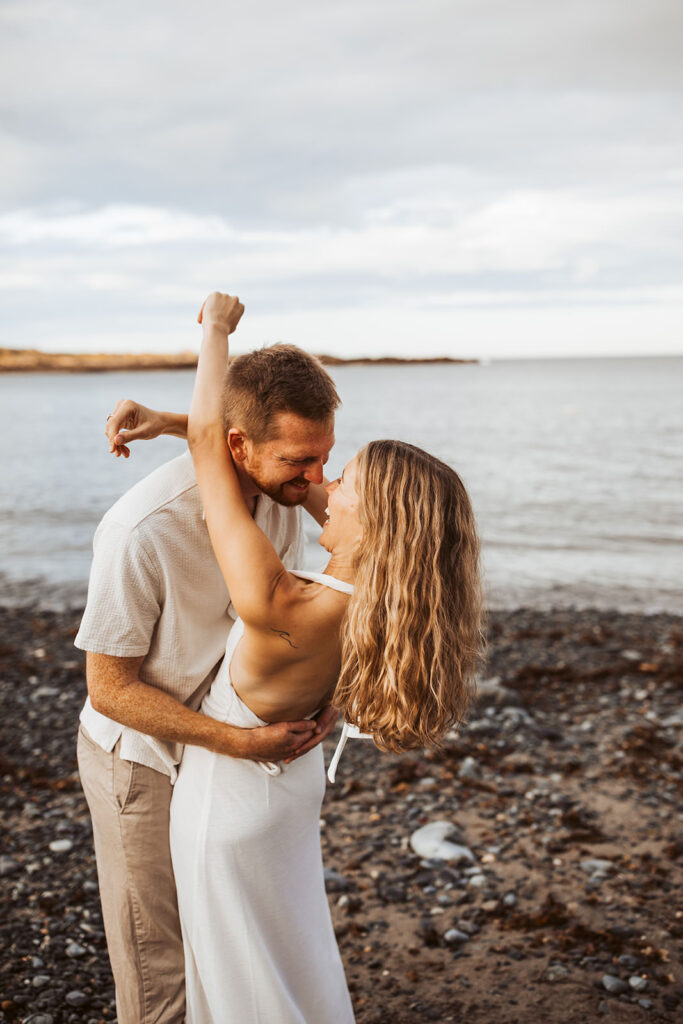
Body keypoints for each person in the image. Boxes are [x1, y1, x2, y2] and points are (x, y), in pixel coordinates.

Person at [131, 291, 483, 1023]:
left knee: (239, 981)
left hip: (229, 805)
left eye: (344, 480)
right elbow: (268, 470)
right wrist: (180, 425)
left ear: (372, 518)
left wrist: (217, 332)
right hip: (288, 790)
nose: (323, 484)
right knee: (289, 952)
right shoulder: (383, 595)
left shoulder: (284, 606)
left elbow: (211, 448)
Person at [75, 341, 342, 1024]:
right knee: (158, 963)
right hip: (141, 760)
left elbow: (375, 536)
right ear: (237, 445)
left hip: (222, 761)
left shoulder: (281, 485)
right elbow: (109, 689)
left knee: (219, 942)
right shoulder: (141, 531)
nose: (315, 478)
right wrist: (235, 742)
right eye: (298, 461)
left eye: (321, 456)